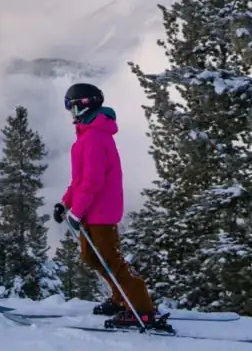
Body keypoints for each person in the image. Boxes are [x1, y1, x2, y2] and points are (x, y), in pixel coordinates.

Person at [53, 83, 171, 332]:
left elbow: (93, 181)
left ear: (85, 106)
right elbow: (79, 180)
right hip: (90, 210)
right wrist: (66, 203)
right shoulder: (87, 136)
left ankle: (142, 310)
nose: (71, 113)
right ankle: (121, 299)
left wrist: (77, 211)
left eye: (72, 107)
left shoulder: (95, 138)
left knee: (111, 261)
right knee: (92, 256)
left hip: (100, 212)